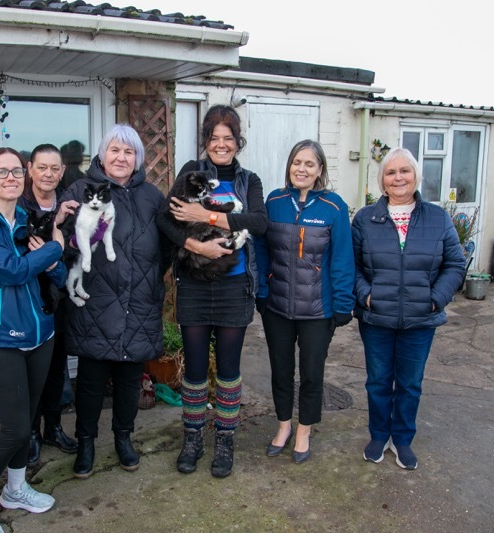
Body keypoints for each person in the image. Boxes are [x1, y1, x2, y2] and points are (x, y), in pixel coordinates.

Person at [0, 147, 67, 532]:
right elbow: (11, 272)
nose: (11, 178)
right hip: (0, 337)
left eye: (16, 172)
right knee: (15, 428)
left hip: (41, 333)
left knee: (28, 419)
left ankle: (16, 490)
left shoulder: (25, 219)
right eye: (1, 172)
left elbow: (57, 277)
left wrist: (54, 262)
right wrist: (55, 248)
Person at [156, 105, 267, 478]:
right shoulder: (191, 172)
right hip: (195, 287)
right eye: (214, 138)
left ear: (238, 143)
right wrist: (196, 246)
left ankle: (225, 440)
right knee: (196, 370)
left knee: (230, 370)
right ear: (206, 142)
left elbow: (258, 222)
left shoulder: (248, 181)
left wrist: (207, 217)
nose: (221, 145)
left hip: (235, 287)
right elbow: (164, 219)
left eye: (228, 138)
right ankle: (192, 438)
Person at [60, 124, 166, 479]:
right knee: (90, 380)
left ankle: (124, 438)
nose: (122, 158)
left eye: (129, 152)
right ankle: (86, 442)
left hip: (138, 300)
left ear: (137, 159)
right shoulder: (80, 189)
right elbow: (64, 238)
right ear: (102, 155)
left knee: (129, 379)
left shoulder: (152, 196)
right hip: (97, 300)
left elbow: (165, 247)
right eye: (115, 150)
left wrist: (149, 279)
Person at [352, 147, 466, 470]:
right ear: (382, 181)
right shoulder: (365, 219)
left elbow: (456, 264)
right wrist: (367, 296)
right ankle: (378, 435)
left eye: (405, 171)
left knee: (410, 383)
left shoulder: (438, 218)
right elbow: (353, 266)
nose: (398, 177)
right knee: (377, 381)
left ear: (416, 177)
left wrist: (435, 299)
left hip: (420, 320)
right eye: (391, 172)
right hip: (377, 319)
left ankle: (401, 439)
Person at [253, 140, 355, 464]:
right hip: (278, 308)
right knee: (281, 371)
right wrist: (262, 292)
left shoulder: (334, 208)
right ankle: (284, 426)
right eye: (297, 162)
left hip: (318, 311)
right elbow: (260, 251)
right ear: (289, 166)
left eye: (310, 164)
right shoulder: (274, 202)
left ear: (320, 170)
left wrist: (342, 303)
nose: (302, 169)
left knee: (311, 373)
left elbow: (342, 260)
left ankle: (304, 430)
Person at [18, 144, 78, 465]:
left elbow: (75, 250)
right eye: (42, 167)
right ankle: (31, 433)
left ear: (62, 171)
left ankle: (54, 426)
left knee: (56, 367)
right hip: (27, 300)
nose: (48, 174)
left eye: (54, 168)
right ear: (30, 169)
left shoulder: (70, 205)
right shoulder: (19, 205)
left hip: (61, 296)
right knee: (32, 372)